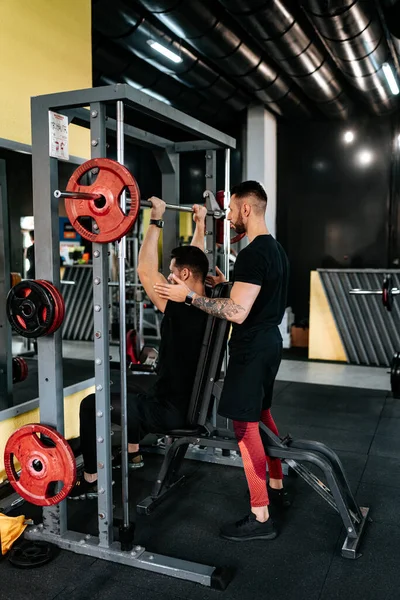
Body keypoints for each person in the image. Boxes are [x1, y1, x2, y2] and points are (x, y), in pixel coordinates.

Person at [154, 181, 290, 541]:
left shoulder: (251, 254)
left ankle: (260, 515)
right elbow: (254, 294)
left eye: (231, 210)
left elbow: (237, 311)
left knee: (246, 429)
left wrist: (189, 297)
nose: (228, 217)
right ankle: (276, 484)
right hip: (270, 343)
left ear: (246, 209)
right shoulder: (274, 250)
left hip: (252, 348)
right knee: (261, 414)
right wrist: (226, 283)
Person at [68, 199, 209, 499]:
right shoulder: (210, 300)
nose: (168, 277)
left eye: (172, 273)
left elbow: (145, 270)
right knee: (127, 383)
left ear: (183, 276)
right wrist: (200, 227)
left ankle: (92, 480)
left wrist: (155, 219)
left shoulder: (178, 306)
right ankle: (132, 453)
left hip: (170, 411)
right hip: (189, 399)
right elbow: (197, 262)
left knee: (91, 405)